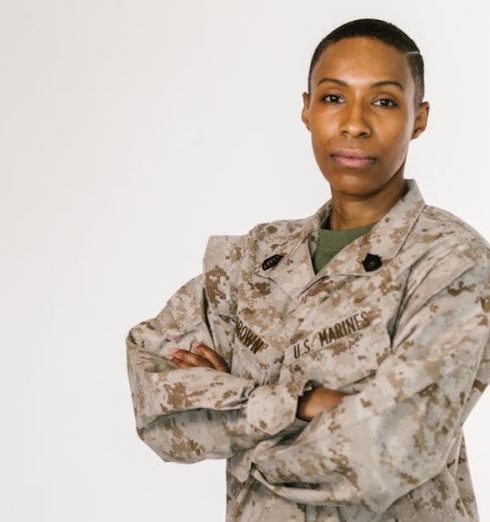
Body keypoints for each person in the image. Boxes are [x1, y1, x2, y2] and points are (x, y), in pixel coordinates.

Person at [126, 18, 490, 521]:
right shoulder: (253, 260)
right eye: (334, 98)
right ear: (306, 109)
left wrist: (237, 423)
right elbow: (157, 406)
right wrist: (304, 404)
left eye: (383, 101)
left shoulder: (450, 262)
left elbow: (387, 452)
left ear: (419, 118)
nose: (354, 123)